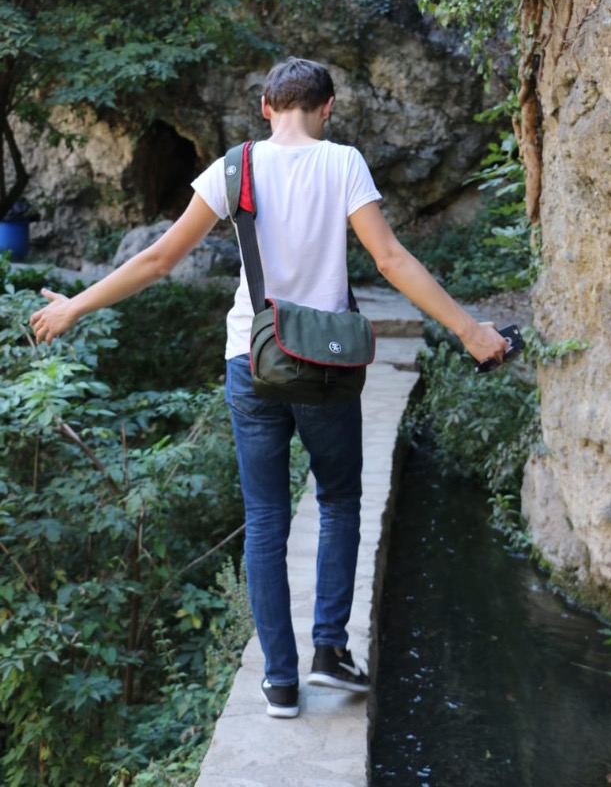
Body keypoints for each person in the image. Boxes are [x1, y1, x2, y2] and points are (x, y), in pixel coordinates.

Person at [30, 56, 509, 719]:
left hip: (250, 359)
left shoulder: (234, 168)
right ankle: (329, 651)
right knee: (338, 500)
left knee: (264, 520)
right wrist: (469, 331)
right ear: (328, 107)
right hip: (326, 366)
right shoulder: (343, 163)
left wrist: (75, 306)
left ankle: (280, 683)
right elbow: (390, 259)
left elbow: (161, 258)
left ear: (265, 106)